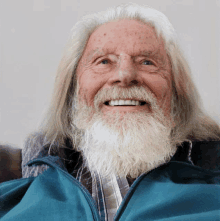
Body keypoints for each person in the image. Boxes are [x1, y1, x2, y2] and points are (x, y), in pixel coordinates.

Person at [1, 3, 220, 221]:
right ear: (72, 92)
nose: (125, 75)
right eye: (103, 61)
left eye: (147, 62)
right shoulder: (13, 197)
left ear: (176, 95)